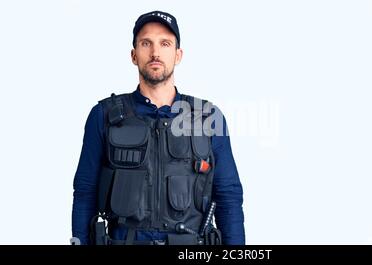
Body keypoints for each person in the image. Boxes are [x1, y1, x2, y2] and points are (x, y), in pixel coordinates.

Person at [71, 11, 245, 245]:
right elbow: (85, 193)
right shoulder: (103, 116)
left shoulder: (209, 118)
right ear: (134, 55)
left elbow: (228, 197)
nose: (155, 53)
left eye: (165, 43)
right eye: (146, 43)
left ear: (178, 54)